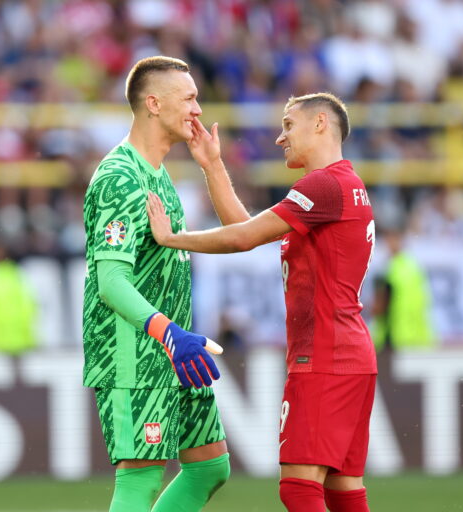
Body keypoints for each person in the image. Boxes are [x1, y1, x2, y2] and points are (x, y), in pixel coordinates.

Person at [147, 92, 376, 512]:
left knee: (299, 489)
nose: (279, 138)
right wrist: (212, 164)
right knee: (342, 492)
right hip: (350, 355)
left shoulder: (323, 186)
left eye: (288, 125)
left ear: (320, 123)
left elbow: (242, 238)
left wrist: (171, 238)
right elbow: (245, 229)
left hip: (325, 356)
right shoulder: (343, 185)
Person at [82, 56, 230, 512]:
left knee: (209, 467)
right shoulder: (119, 178)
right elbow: (110, 281)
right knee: (141, 480)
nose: (198, 110)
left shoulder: (160, 174)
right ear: (153, 104)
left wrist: (212, 166)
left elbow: (238, 233)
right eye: (188, 99)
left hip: (175, 351)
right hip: (135, 353)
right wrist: (168, 333)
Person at [371, 224, 436, 351]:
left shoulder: (391, 269)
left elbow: (380, 304)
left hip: (396, 336)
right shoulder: (412, 267)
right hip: (412, 336)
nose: (390, 243)